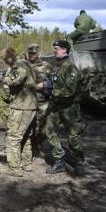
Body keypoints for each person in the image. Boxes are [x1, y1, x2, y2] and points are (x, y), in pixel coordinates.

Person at [38, 40, 85, 175]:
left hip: (70, 108)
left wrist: (52, 90)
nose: (54, 50)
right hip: (56, 106)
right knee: (49, 130)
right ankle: (59, 161)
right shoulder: (56, 66)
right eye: (54, 48)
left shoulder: (70, 67)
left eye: (56, 48)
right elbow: (50, 80)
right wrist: (45, 84)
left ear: (64, 50)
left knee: (73, 137)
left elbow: (70, 90)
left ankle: (79, 162)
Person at [0, 47, 38, 176]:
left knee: (13, 137)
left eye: (5, 60)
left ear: (9, 57)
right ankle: (27, 164)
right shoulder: (27, 63)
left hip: (21, 106)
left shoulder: (19, 64)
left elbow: (16, 80)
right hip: (30, 105)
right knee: (26, 136)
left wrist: (3, 78)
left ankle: (14, 168)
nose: (6, 63)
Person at [26, 43, 53, 158]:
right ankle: (30, 149)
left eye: (34, 53)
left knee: (44, 128)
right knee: (29, 127)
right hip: (27, 102)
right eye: (30, 53)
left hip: (43, 101)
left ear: (38, 53)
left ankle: (39, 146)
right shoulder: (24, 65)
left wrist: (45, 84)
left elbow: (54, 80)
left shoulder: (46, 65)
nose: (32, 55)